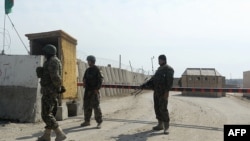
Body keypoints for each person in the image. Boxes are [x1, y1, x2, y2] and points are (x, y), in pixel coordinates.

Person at [36, 44, 67, 141]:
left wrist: (59, 87)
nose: (44, 54)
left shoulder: (52, 61)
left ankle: (60, 133)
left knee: (46, 114)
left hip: (50, 91)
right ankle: (47, 135)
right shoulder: (51, 61)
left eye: (45, 53)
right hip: (51, 90)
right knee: (50, 113)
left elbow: (55, 76)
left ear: (49, 53)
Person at [141, 54, 174, 134]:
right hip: (156, 92)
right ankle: (160, 124)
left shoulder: (168, 69)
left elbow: (169, 82)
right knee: (157, 108)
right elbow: (154, 79)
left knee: (163, 109)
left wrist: (166, 92)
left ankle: (166, 127)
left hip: (163, 93)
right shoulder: (159, 69)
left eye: (160, 60)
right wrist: (145, 84)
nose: (158, 61)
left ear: (163, 60)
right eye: (158, 60)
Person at [80, 55, 103, 129]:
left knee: (96, 107)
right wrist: (84, 82)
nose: (88, 62)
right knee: (87, 106)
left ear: (92, 61)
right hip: (88, 91)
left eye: (88, 61)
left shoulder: (97, 70)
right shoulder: (88, 70)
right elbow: (84, 78)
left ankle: (99, 122)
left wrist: (97, 88)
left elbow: (100, 80)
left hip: (94, 91)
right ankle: (87, 121)